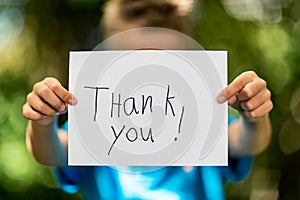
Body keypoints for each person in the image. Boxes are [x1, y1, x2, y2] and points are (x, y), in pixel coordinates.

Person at [23, 0, 273, 199]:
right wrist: (43, 123)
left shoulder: (201, 121)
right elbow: (52, 152)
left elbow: (246, 140)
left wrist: (254, 117)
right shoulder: (95, 124)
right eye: (131, 63)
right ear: (106, 66)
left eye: (161, 65)